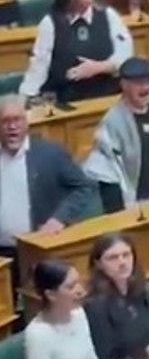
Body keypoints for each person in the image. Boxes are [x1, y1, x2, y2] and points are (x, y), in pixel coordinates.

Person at [0, 94, 97, 293]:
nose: (12, 127)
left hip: (38, 249)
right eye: (5, 121)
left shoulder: (50, 154)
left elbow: (84, 187)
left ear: (27, 122)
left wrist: (59, 218)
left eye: (17, 120)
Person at [81, 58, 149, 214]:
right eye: (138, 83)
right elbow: (105, 171)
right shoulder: (113, 121)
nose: (145, 88)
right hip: (133, 205)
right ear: (123, 84)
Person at [16, 0, 133, 101]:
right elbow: (39, 68)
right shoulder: (50, 23)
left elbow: (126, 57)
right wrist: (25, 97)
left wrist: (100, 67)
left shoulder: (108, 15)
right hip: (67, 101)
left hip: (109, 98)